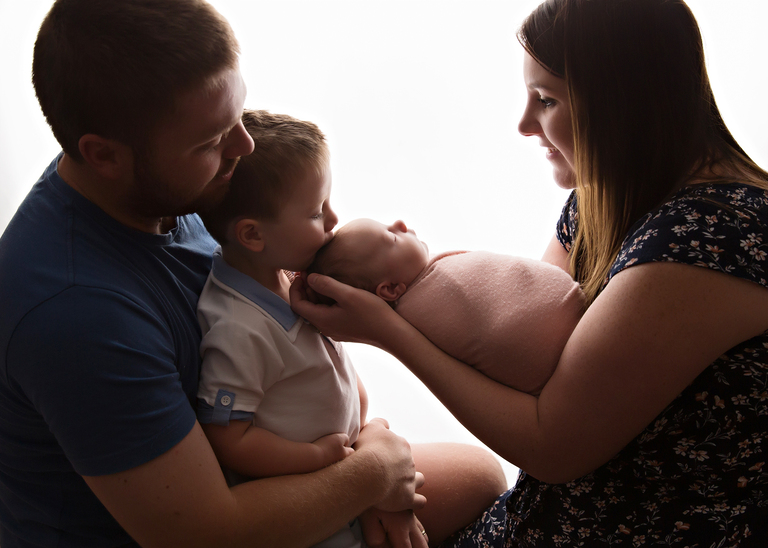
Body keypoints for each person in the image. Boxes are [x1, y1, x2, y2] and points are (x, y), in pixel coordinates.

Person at [291, 0, 768, 545]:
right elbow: (519, 357)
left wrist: (388, 331)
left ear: (623, 103)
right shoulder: (604, 199)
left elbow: (552, 446)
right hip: (546, 518)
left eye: (546, 100)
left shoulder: (707, 239)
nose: (523, 124)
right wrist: (376, 465)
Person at [0, 2, 454, 547]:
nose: (245, 146)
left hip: (283, 467)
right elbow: (207, 534)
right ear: (104, 156)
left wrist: (376, 447)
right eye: (212, 141)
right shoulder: (73, 312)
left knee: (477, 474)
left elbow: (302, 352)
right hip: (199, 522)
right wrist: (376, 475)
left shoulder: (178, 185)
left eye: (236, 117)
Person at [195, 109, 508, 548]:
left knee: (483, 476)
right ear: (252, 235)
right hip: (308, 509)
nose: (332, 218)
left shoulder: (284, 279)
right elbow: (229, 438)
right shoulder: (239, 329)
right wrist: (323, 462)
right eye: (315, 212)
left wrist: (370, 440)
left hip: (351, 465)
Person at [307, 217, 584, 394]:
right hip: (567, 347)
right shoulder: (419, 317)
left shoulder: (414, 316)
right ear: (390, 289)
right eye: (391, 237)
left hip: (574, 342)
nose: (400, 224)